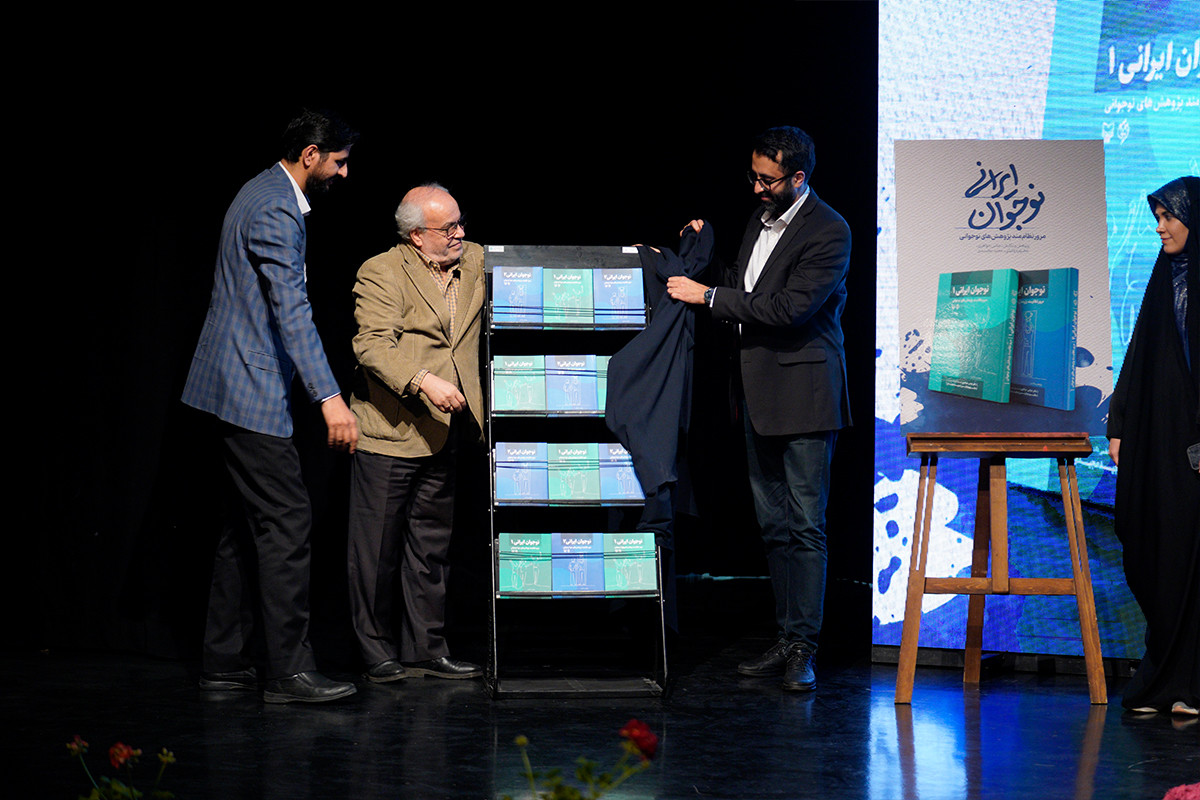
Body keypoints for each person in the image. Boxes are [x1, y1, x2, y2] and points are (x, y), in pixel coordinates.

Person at [182, 109, 360, 703]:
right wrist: (330, 398)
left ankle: (223, 661)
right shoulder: (277, 209)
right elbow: (292, 311)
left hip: (230, 382)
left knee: (244, 524)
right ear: (310, 155)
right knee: (286, 521)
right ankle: (288, 671)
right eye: (339, 161)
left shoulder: (258, 188)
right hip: (247, 387)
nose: (344, 173)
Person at [666, 126, 851, 692]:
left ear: (798, 177)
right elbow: (745, 287)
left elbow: (789, 308)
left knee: (805, 527)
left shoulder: (829, 229)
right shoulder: (759, 220)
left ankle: (804, 648)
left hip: (806, 397)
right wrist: (703, 254)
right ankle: (786, 634)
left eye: (768, 180)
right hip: (757, 395)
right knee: (773, 527)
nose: (757, 188)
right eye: (753, 176)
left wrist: (708, 297)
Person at [346, 184, 484, 683]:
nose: (460, 233)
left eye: (460, 222)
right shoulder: (382, 271)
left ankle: (426, 648)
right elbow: (372, 347)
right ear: (416, 236)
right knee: (376, 552)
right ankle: (374, 651)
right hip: (391, 430)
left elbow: (527, 267)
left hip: (446, 431)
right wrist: (424, 381)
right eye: (449, 228)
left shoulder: (474, 261)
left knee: (430, 548)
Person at [1107, 175, 1200, 716]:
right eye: (1157, 218)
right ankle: (1162, 677)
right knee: (1156, 553)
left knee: (1191, 559)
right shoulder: (1163, 278)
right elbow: (1139, 355)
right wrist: (1120, 426)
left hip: (1195, 443)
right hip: (1159, 441)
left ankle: (1190, 684)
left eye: (1169, 217)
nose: (1160, 228)